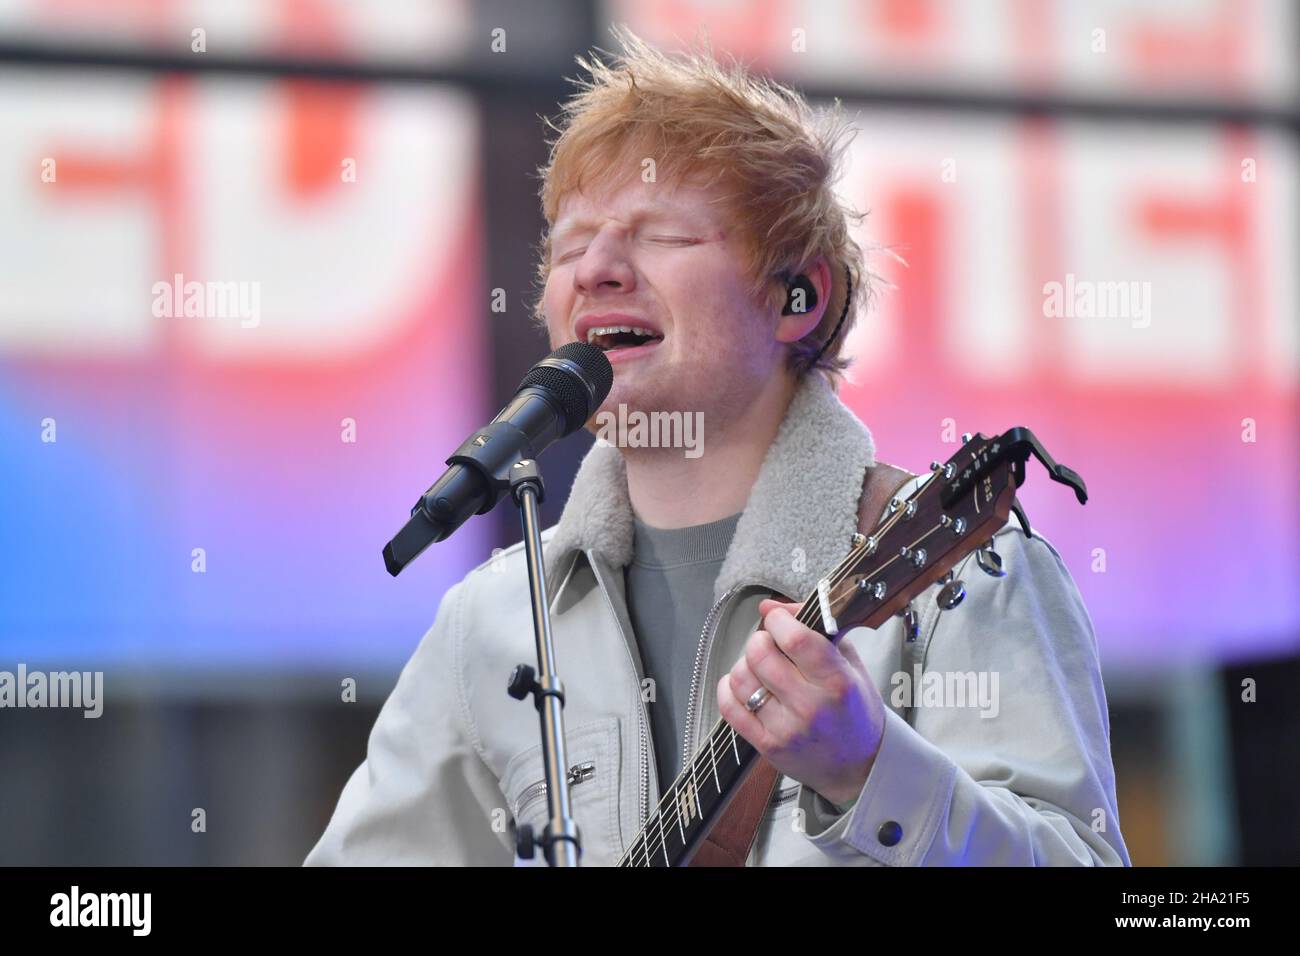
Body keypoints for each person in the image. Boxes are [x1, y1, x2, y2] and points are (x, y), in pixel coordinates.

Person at [305, 27, 1129, 866]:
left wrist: (870, 774)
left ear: (796, 298)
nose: (596, 270)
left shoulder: (964, 569)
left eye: (661, 236)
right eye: (568, 245)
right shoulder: (495, 619)